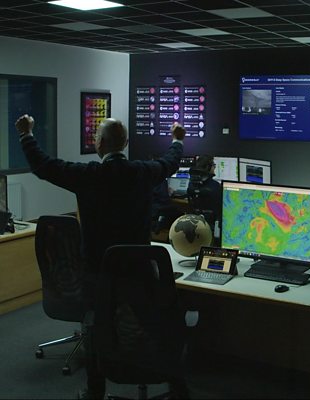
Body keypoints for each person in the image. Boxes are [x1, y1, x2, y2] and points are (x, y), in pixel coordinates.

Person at [15, 114, 186, 399]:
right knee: (156, 324)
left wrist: (26, 135)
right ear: (125, 144)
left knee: (95, 327)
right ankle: (176, 385)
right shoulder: (144, 172)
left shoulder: (87, 175)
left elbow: (43, 165)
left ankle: (95, 390)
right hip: (139, 274)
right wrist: (177, 140)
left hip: (98, 276)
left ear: (99, 144)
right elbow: (171, 161)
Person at [187, 155, 222, 233]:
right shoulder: (215, 186)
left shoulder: (191, 184)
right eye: (213, 165)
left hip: (195, 225)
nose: (214, 167)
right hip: (212, 226)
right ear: (208, 167)